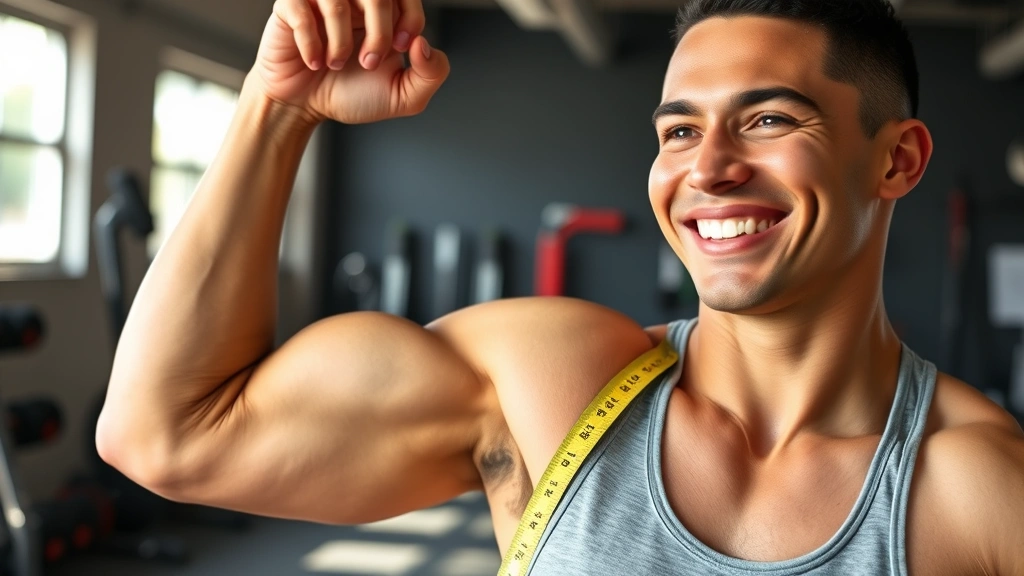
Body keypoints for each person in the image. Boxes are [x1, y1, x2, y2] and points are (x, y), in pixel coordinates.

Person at [97, 0, 1024, 573]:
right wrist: (278, 108)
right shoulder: (555, 384)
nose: (708, 169)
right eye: (677, 132)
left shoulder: (980, 494)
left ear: (896, 160)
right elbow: (167, 436)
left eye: (770, 118)